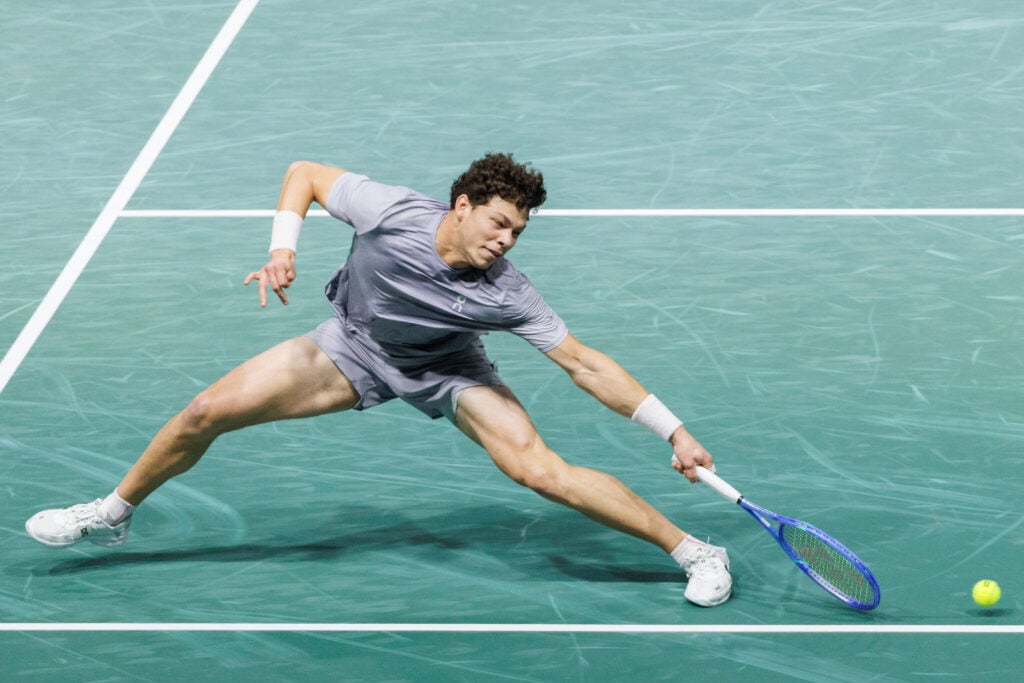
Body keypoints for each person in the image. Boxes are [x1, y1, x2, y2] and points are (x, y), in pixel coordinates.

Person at [25, 153, 732, 607]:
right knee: (206, 410)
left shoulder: (505, 291)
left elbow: (584, 362)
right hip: (353, 346)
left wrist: (672, 428)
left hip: (449, 368)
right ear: (461, 205)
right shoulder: (390, 210)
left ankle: (695, 550)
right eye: (498, 223)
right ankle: (109, 515)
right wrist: (282, 248)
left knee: (539, 471)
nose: (505, 241)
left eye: (517, 232)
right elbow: (302, 172)